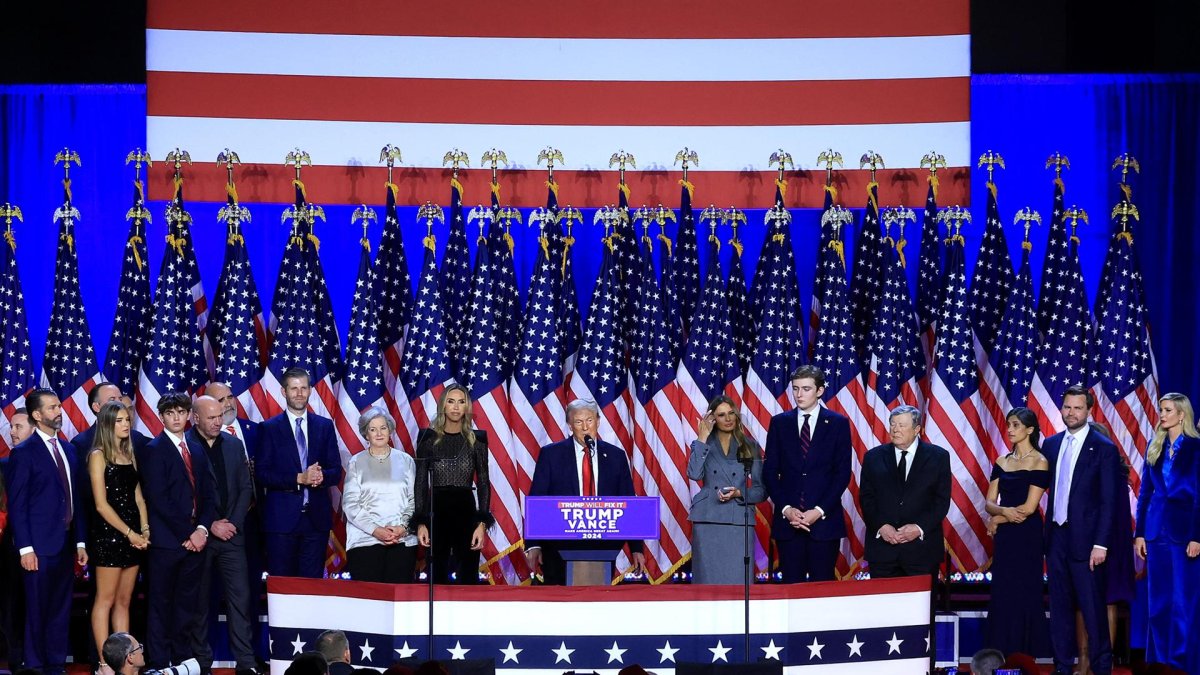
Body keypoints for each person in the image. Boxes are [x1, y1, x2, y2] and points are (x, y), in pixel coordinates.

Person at [3, 388, 88, 675]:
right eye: (51, 408)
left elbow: (75, 497)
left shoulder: (69, 449)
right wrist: (25, 548)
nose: (58, 411)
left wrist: (79, 540)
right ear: (37, 415)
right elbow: (18, 505)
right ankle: (35, 664)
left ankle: (54, 663)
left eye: (58, 406)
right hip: (37, 547)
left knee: (60, 608)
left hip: (64, 543)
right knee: (37, 608)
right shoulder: (24, 453)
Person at [136, 392, 217, 670]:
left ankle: (181, 661)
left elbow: (208, 494)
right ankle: (159, 661)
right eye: (170, 414)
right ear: (161, 417)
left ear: (188, 416)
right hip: (167, 543)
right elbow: (158, 499)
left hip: (195, 543)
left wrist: (203, 529)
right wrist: (189, 533)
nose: (176, 418)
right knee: (160, 605)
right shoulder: (153, 449)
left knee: (187, 606)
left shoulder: (196, 448)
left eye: (181, 413)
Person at [525, 399, 646, 585]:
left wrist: (636, 548)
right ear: (569, 426)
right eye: (578, 422)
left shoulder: (615, 456)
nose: (585, 427)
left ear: (598, 421)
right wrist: (534, 543)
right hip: (558, 546)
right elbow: (537, 499)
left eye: (589, 420)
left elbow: (628, 501)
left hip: (602, 545)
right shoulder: (551, 455)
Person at [1043, 385, 1118, 675]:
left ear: (1088, 411)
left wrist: (1101, 544)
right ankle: (1063, 666)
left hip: (1088, 544)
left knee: (1092, 609)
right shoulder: (1050, 444)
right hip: (1057, 539)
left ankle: (1101, 668)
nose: (1071, 413)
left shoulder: (1104, 448)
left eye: (1077, 408)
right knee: (1059, 608)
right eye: (1067, 407)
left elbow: (1108, 501)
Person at [762, 366, 852, 582]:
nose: (799, 395)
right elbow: (771, 472)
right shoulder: (779, 423)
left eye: (806, 389)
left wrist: (818, 511)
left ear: (819, 391)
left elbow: (841, 474)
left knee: (822, 588)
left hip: (824, 522)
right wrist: (786, 509)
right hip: (789, 524)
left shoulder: (838, 424)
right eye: (795, 389)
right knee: (791, 588)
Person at [189, 395, 258, 675]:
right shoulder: (185, 446)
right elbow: (185, 495)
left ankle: (246, 663)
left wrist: (233, 522)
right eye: (212, 417)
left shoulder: (234, 444)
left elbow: (245, 489)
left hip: (232, 536)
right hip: (200, 536)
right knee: (200, 602)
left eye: (220, 416)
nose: (218, 421)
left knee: (240, 600)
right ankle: (201, 663)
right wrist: (210, 524)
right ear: (196, 418)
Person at [1134, 393, 1200, 674]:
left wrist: (1197, 535)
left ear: (1181, 414)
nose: (1161, 414)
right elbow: (1145, 493)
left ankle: (1182, 664)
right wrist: (1139, 534)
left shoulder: (1196, 448)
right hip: (1155, 532)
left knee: (1182, 603)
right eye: (1161, 409)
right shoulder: (1155, 445)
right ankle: (1159, 664)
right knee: (1158, 603)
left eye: (1167, 410)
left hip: (1185, 534)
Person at [259, 368, 342, 578]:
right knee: (283, 584)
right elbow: (262, 474)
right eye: (294, 388)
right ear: (283, 391)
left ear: (311, 391)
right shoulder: (269, 428)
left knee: (310, 586)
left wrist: (321, 476)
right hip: (281, 523)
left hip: (316, 522)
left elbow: (335, 471)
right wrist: (299, 478)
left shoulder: (324, 426)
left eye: (303, 388)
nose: (299, 393)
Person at [87, 401, 150, 673]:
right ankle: (105, 663)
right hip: (109, 536)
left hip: (134, 537)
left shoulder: (130, 452)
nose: (126, 424)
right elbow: (101, 504)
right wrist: (130, 533)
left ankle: (125, 661)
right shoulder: (98, 455)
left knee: (125, 601)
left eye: (128, 419)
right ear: (107, 424)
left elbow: (138, 497)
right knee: (105, 600)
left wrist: (144, 530)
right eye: (120, 420)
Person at [983, 407, 1050, 657]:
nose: (1010, 430)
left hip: (1027, 535)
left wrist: (999, 518)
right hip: (1007, 538)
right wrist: (1000, 514)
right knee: (1003, 590)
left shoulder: (1040, 461)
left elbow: (1030, 508)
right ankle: (999, 650)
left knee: (1025, 590)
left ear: (1030, 430)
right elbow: (988, 502)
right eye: (1009, 425)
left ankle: (1024, 652)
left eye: (1016, 425)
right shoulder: (1002, 461)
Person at [858, 405, 951, 578]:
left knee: (922, 605)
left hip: (921, 551)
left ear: (917, 429)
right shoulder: (873, 457)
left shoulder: (938, 457)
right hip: (883, 551)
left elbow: (941, 501)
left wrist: (919, 527)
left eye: (901, 425)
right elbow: (866, 498)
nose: (895, 429)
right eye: (892, 424)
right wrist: (881, 526)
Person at [412, 385, 492, 584]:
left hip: (465, 510)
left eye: (461, 401)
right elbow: (421, 481)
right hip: (436, 510)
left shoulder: (477, 440)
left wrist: (481, 523)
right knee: (436, 575)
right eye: (451, 401)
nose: (456, 407)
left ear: (467, 407)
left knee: (467, 575)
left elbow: (483, 482)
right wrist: (421, 522)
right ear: (443, 406)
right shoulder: (427, 438)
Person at [687, 394, 765, 584]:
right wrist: (702, 437)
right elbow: (694, 474)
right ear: (712, 418)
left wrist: (739, 493)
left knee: (738, 581)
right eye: (721, 415)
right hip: (707, 520)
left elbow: (761, 490)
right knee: (707, 582)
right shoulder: (703, 444)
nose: (728, 419)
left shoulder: (750, 445)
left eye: (731, 413)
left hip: (738, 521)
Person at [343, 407, 417, 583]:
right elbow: (350, 504)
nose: (379, 433)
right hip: (365, 540)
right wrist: (376, 530)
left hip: (402, 540)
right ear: (366, 434)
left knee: (399, 600)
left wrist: (403, 528)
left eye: (383, 427)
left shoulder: (406, 460)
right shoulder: (356, 461)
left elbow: (414, 500)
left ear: (390, 430)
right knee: (369, 601)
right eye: (372, 429)